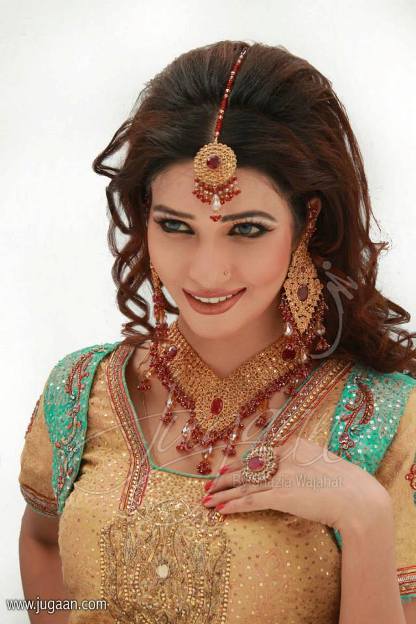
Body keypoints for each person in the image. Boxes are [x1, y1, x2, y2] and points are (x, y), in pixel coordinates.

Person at [18, 40, 416, 624]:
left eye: (246, 229)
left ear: (306, 223)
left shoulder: (380, 420)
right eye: (176, 226)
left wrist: (364, 517)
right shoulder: (81, 389)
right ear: (144, 217)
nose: (207, 272)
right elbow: (42, 540)